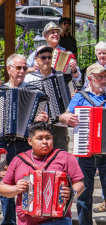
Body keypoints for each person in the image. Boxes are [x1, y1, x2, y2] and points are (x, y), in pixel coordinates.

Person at [59, 63, 106, 225]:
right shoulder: (80, 97)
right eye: (99, 76)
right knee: (84, 198)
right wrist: (67, 118)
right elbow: (65, 116)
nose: (103, 79)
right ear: (90, 79)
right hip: (85, 153)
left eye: (105, 76)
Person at [0, 122, 85, 225]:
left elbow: (79, 183)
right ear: (30, 141)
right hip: (26, 221)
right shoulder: (19, 160)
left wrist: (72, 192)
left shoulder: (65, 157)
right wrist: (16, 189)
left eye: (48, 138)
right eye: (40, 138)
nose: (45, 142)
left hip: (58, 220)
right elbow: (2, 188)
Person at [0, 54, 49, 225]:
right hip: (3, 144)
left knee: (26, 182)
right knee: (6, 182)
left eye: (24, 68)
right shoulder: (1, 91)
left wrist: (43, 119)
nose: (22, 71)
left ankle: (25, 220)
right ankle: (8, 221)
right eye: (18, 68)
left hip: (24, 144)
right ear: (9, 69)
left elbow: (40, 126)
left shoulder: (35, 93)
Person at [24, 46, 71, 151]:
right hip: (37, 126)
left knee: (60, 158)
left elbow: (69, 100)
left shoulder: (60, 77)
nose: (47, 60)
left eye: (49, 57)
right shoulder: (29, 79)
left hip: (59, 126)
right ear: (36, 60)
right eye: (43, 58)